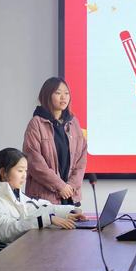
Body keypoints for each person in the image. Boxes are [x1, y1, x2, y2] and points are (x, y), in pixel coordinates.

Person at [0, 148, 85, 244]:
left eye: (25, 171)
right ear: (3, 172)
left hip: (6, 255)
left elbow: (36, 208)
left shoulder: (11, 194)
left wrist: (69, 211)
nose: (24, 176)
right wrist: (47, 219)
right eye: (20, 171)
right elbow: (5, 230)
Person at [23, 77, 87, 205]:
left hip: (70, 196)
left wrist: (71, 186)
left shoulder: (73, 122)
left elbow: (81, 159)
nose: (63, 97)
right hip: (45, 199)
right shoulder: (36, 124)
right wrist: (60, 186)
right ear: (47, 95)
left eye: (66, 93)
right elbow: (34, 162)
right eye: (58, 93)